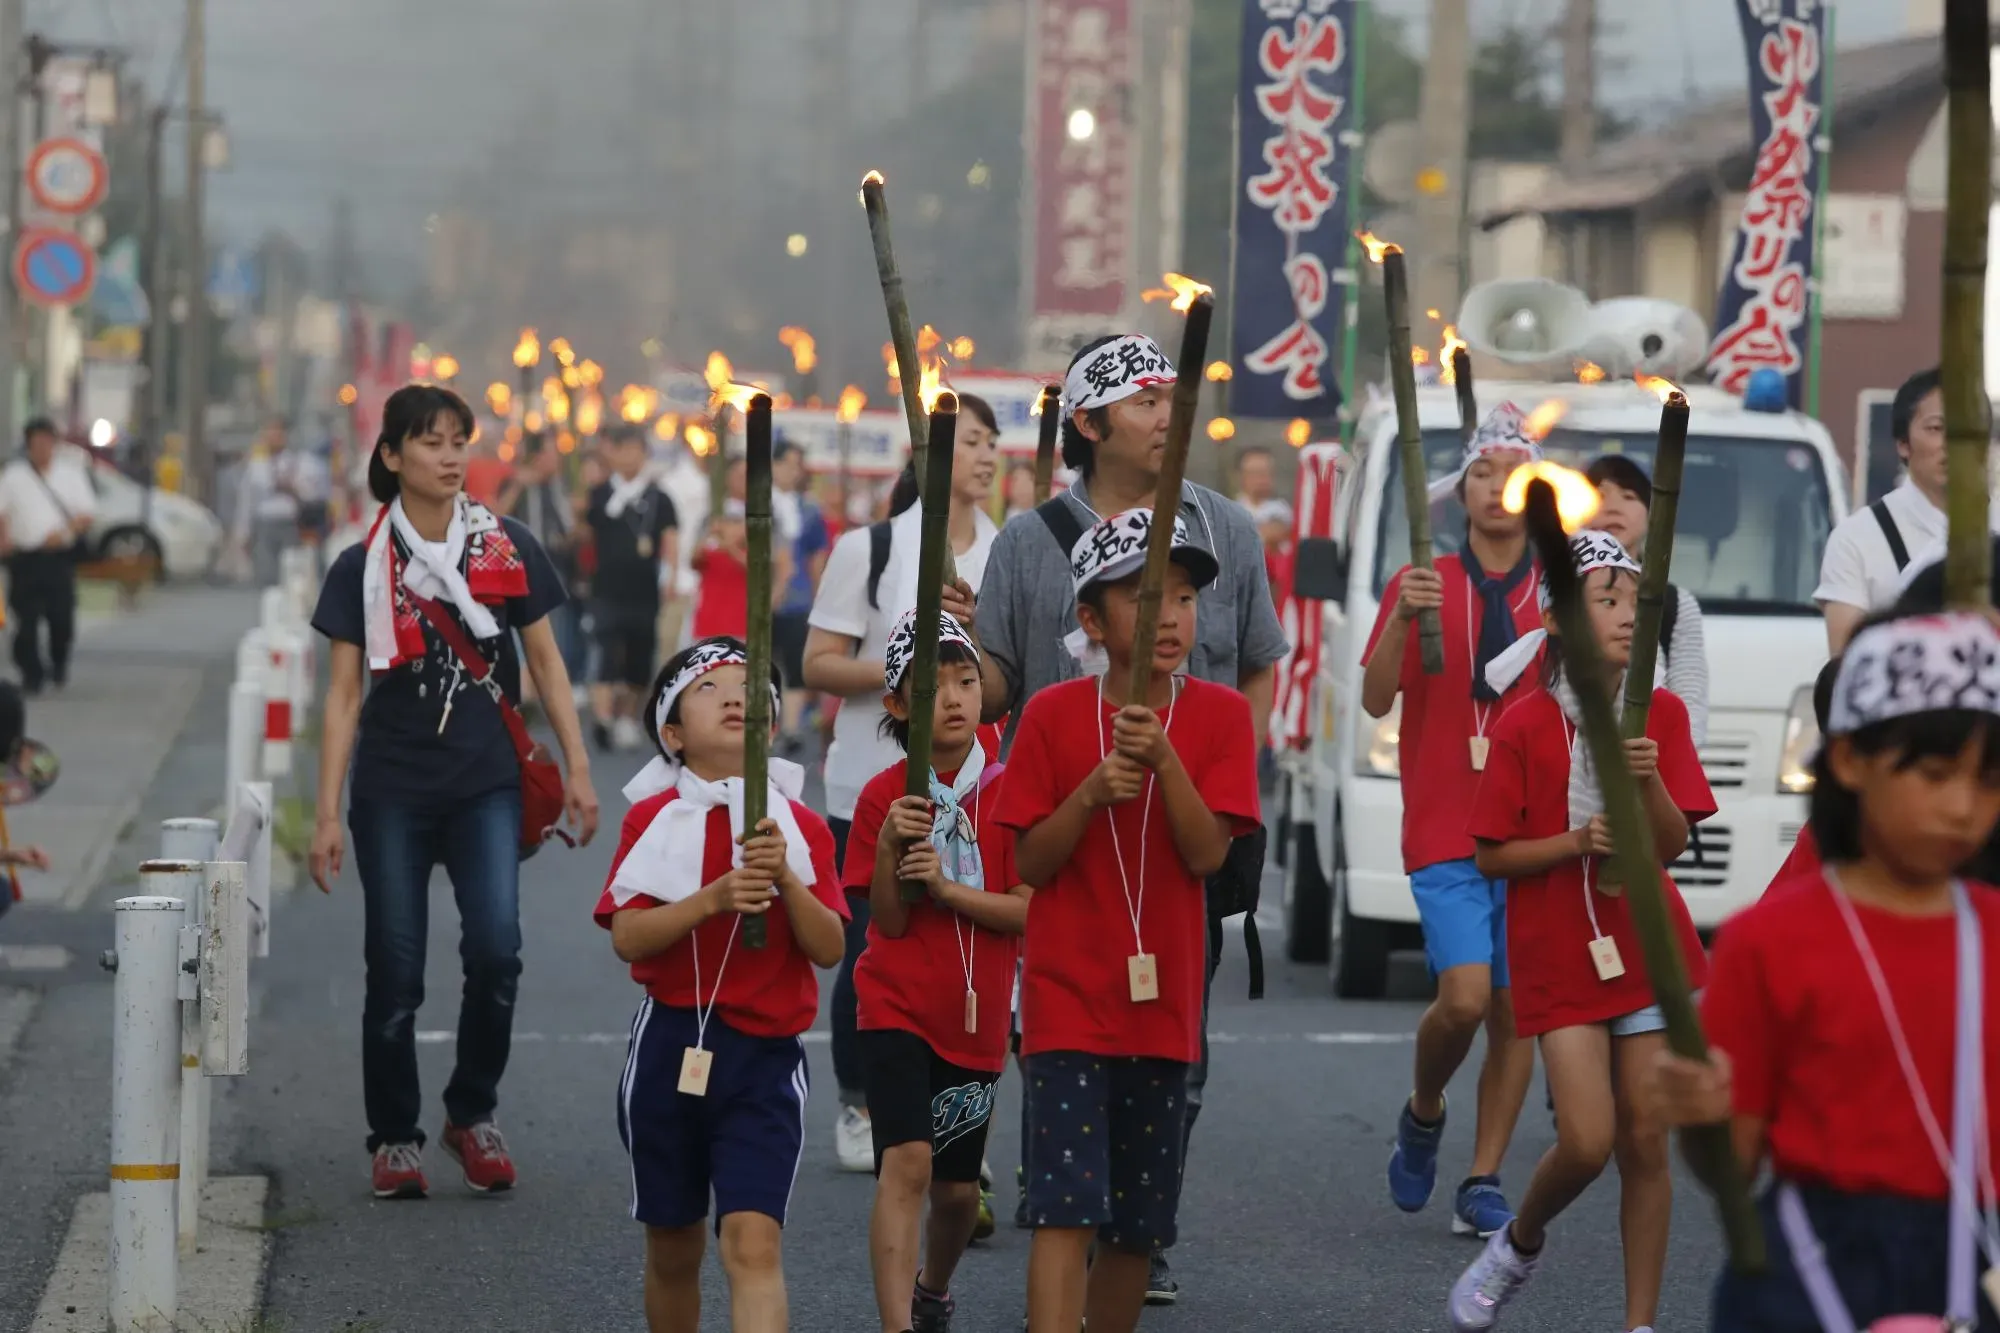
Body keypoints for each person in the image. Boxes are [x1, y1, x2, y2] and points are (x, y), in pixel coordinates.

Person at [973, 334, 1285, 1302]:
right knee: (1066, 1088)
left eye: (1172, 399)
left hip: (1181, 846)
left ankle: (1134, 1225)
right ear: (1090, 422)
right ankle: (1073, 1201)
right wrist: (947, 657)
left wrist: (1225, 775)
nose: (1165, 417)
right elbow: (998, 683)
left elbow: (1259, 659)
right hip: (1073, 874)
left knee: (1171, 1065)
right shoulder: (1029, 542)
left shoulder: (1223, 526)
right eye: (1145, 401)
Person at [1648, 608, 2000, 1332]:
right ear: (1848, 760)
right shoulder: (1767, 942)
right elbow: (1731, 1168)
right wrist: (1700, 1116)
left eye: (1988, 780)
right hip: (1808, 1260)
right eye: (1934, 774)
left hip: (1978, 1256)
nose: (1964, 806)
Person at [307, 383, 600, 1199]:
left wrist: (577, 766)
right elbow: (341, 699)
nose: (449, 456)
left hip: (486, 784)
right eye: (429, 441)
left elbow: (547, 663)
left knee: (497, 949)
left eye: (458, 440)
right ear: (392, 455)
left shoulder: (505, 547)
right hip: (393, 789)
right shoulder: (361, 566)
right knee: (395, 967)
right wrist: (327, 812)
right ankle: (394, 1134)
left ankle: (471, 1112)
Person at [993, 506, 1260, 1333]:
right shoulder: (1051, 714)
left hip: (1166, 1003)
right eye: (1143, 599)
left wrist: (1165, 760)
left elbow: (1207, 852)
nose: (1169, 617)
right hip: (1067, 999)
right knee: (1064, 1207)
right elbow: (1030, 863)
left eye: (1182, 597)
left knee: (1137, 1227)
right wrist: (1090, 791)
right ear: (1090, 618)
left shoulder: (1221, 717)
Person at [1447, 531, 1715, 1333]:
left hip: (1645, 946)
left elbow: (1672, 843)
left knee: (1645, 1140)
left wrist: (1648, 784)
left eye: (1636, 599)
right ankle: (1519, 1239)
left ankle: (1640, 1323)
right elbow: (1490, 854)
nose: (1629, 614)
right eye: (1607, 598)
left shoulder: (1659, 713)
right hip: (1559, 952)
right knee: (1589, 1138)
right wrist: (1574, 841)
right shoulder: (1526, 723)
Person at [598, 637, 846, 1333]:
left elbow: (829, 946)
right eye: (710, 687)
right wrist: (710, 899)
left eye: (749, 684)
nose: (736, 694)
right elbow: (627, 934)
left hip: (765, 1057)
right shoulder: (651, 820)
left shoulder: (799, 825)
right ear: (671, 734)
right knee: (674, 1246)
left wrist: (787, 878)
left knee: (752, 1241)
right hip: (669, 1047)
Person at [804, 394, 999, 1176]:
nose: (985, 455)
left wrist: (971, 641)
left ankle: (953, 1116)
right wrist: (908, 666)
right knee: (874, 945)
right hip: (869, 783)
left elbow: (1007, 673)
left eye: (991, 442)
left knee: (963, 950)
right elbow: (819, 661)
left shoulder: (1007, 547)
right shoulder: (872, 547)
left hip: (977, 783)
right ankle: (860, 1098)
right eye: (968, 440)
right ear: (926, 453)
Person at [1363, 401, 1545, 1240]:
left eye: (1512, 473)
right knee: (1466, 997)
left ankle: (1482, 1176)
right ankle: (1425, 1105)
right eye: (1482, 473)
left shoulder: (1563, 583)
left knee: (1515, 1009)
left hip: (1535, 830)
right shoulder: (1421, 578)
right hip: (1444, 823)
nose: (1497, 489)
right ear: (1459, 489)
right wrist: (1405, 618)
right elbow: (1373, 698)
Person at [844, 610, 1027, 1333]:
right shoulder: (882, 796)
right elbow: (885, 921)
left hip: (976, 1019)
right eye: (930, 687)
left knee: (955, 1193)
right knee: (907, 1163)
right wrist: (891, 843)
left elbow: (1028, 911)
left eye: (965, 679)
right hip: (893, 1005)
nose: (952, 697)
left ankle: (933, 1286)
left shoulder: (1012, 793)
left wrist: (950, 891)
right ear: (895, 704)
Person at [1812, 367, 2000, 654]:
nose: (1954, 445)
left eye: (1968, 427)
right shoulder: (1856, 539)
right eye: (1937, 429)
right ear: (1903, 443)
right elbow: (1846, 668)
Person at [1584, 455, 1710, 745]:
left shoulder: (1674, 605)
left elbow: (1690, 706)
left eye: (1629, 496)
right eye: (1599, 495)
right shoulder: (1553, 593)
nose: (1613, 507)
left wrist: (1671, 767)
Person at [586, 424, 680, 751]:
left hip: (644, 591)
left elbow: (670, 539)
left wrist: (671, 575)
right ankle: (603, 719)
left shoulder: (659, 497)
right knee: (606, 652)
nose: (628, 457)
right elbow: (585, 534)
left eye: (635, 451)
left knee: (639, 656)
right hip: (607, 589)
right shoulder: (600, 494)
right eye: (622, 450)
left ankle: (627, 717)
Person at [0, 417, 95, 695]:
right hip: (25, 557)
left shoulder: (69, 474)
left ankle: (59, 663)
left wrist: (64, 531)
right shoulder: (14, 476)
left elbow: (86, 513)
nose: (42, 447)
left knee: (61, 618)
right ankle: (32, 674)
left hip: (57, 557)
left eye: (47, 441)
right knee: (25, 621)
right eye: (36, 442)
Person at [496, 432, 588, 694]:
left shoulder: (558, 485)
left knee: (555, 631)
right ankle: (525, 691)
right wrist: (518, 485)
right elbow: (496, 516)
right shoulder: (514, 483)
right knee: (522, 630)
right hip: (518, 567)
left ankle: (546, 688)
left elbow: (569, 528)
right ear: (536, 457)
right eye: (550, 453)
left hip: (556, 566)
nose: (555, 459)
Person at [772, 440, 830, 753]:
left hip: (797, 600)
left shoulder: (808, 509)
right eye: (788, 464)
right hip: (758, 599)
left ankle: (791, 728)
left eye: (798, 466)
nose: (794, 472)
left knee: (795, 664)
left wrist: (819, 594)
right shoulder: (757, 503)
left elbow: (817, 555)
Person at [1233, 443, 1277, 512]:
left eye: (1266, 472)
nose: (1261, 479)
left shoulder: (1284, 514)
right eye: (1255, 472)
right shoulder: (1229, 511)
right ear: (1241, 476)